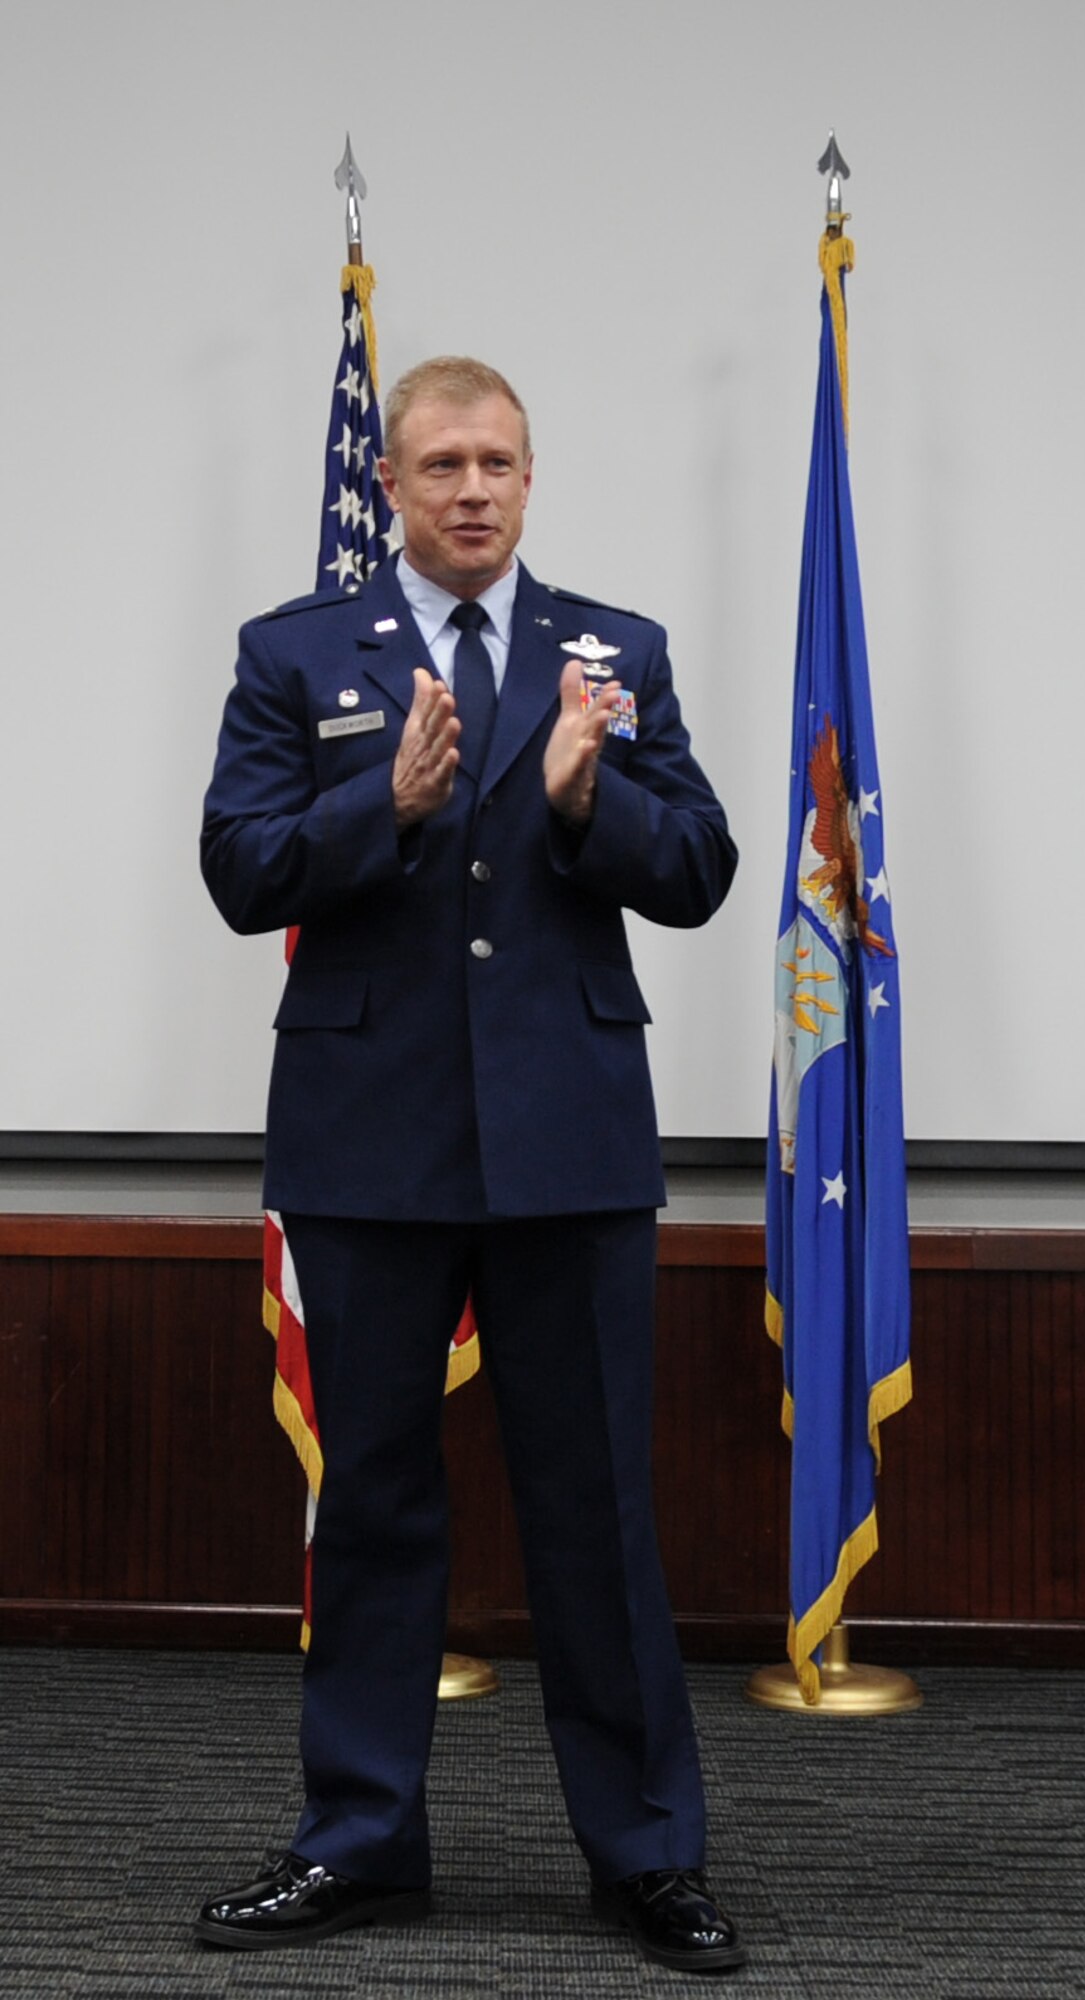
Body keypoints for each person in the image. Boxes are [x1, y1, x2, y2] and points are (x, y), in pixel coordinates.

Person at [196, 356, 743, 1975]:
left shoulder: (610, 653)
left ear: (529, 476)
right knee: (370, 1502)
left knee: (595, 1514)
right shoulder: (294, 653)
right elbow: (239, 869)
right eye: (441, 461)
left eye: (499, 460)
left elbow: (702, 865)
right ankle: (358, 1844)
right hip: (371, 1139)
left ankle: (645, 1854)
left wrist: (589, 803)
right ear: (392, 485)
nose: (473, 489)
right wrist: (385, 800)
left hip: (569, 1143)